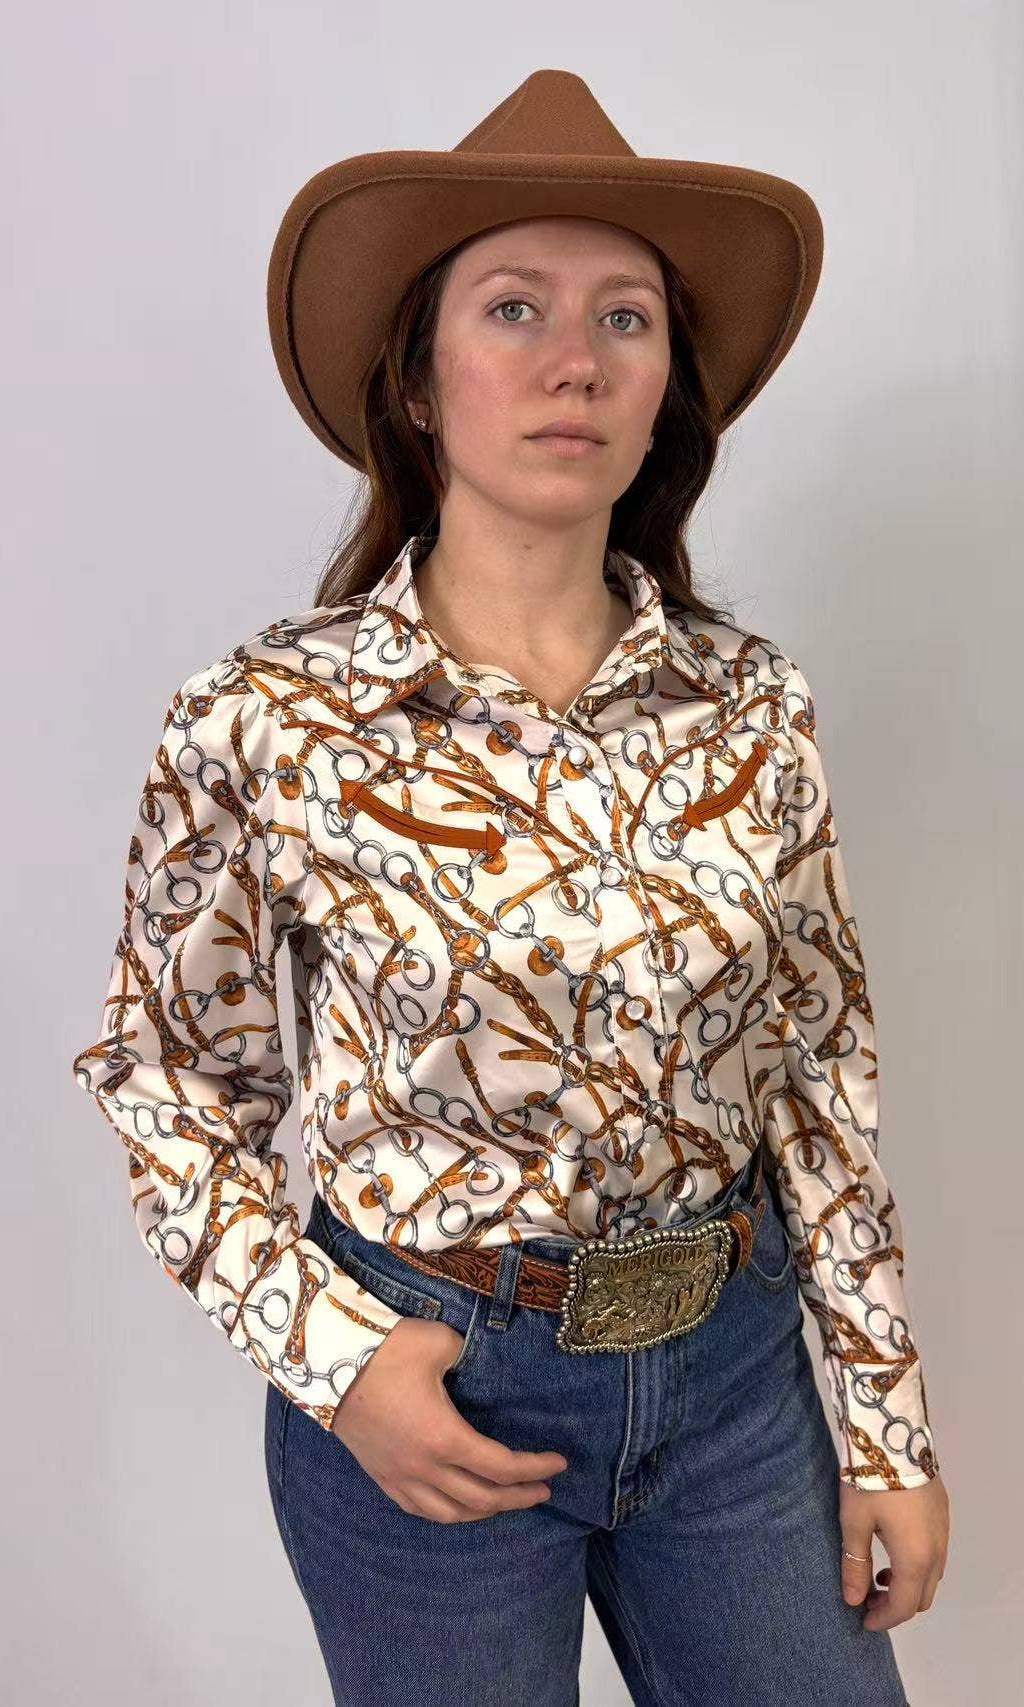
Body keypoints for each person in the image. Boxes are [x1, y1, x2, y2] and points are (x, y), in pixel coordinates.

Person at [71, 68, 949, 1707]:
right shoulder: (268, 716)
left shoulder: (753, 709)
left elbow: (820, 1078)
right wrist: (338, 1364)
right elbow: (163, 1077)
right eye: (516, 307)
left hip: (738, 1386)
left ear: (667, 386)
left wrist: (887, 1426)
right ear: (416, 379)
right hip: (436, 1392)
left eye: (627, 319)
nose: (574, 361)